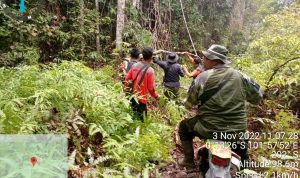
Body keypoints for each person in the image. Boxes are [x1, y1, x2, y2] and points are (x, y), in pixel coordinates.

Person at [178, 44, 264, 170]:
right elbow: (258, 97)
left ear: (213, 60)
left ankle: (189, 161)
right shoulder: (241, 76)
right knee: (244, 154)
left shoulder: (201, 78)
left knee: (183, 127)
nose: (203, 60)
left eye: (205, 58)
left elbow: (188, 104)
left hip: (208, 129)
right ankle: (246, 169)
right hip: (236, 132)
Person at [124, 47, 159, 122]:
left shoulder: (134, 66)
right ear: (151, 57)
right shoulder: (150, 71)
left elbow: (127, 79)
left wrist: (126, 91)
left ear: (142, 55)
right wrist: (157, 96)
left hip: (133, 96)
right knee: (142, 121)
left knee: (133, 117)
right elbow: (151, 88)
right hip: (142, 100)